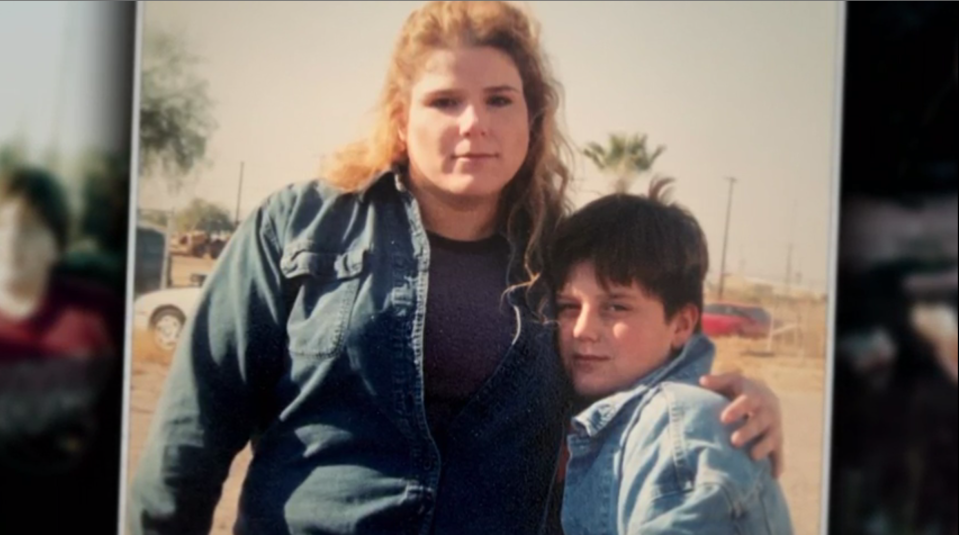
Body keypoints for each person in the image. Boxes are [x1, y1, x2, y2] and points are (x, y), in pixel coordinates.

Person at [129, 2, 785, 534]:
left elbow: (641, 370)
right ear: (400, 118)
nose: (475, 123)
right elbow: (193, 429)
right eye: (445, 101)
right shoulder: (300, 224)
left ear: (533, 116)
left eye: (499, 98)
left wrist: (736, 397)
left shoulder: (565, 253)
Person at [547, 190, 794, 534]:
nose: (583, 330)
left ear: (680, 324)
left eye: (616, 307)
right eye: (569, 307)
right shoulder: (576, 408)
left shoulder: (682, 429)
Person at [0, 167, 120, 534]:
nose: (13, 239)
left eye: (31, 227)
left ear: (57, 245)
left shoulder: (99, 318)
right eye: (2, 223)